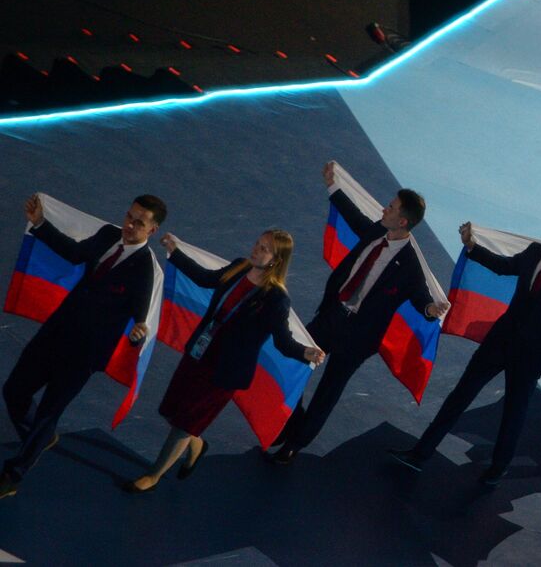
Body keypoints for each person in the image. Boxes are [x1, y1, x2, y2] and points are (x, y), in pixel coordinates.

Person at [393, 214, 541, 486]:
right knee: (459, 396)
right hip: (499, 342)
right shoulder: (535, 252)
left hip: (530, 358)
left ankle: (498, 468)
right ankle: (420, 453)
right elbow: (504, 266)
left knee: (514, 412)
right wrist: (472, 247)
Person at [268, 163, 449, 464]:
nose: (384, 209)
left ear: (402, 221)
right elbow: (355, 218)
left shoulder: (411, 266)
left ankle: (295, 444)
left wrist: (431, 310)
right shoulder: (379, 229)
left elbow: (421, 300)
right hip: (332, 316)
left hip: (359, 339)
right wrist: (333, 187)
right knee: (293, 359)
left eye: (390, 207)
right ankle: (292, 422)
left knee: (328, 391)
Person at [121, 230, 325, 493]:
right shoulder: (240, 266)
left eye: (264, 249)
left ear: (277, 260)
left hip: (225, 371)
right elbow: (207, 279)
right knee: (174, 409)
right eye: (257, 243)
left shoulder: (276, 299)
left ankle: (154, 475)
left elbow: (282, 341)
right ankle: (195, 443)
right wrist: (176, 252)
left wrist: (305, 353)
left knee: (185, 423)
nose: (256, 250)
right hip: (200, 352)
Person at [1, 194, 164, 500]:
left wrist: (139, 333)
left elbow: (140, 319)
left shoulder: (145, 271)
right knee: (14, 390)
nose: (128, 225)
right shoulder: (107, 235)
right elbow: (75, 253)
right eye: (129, 216)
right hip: (56, 332)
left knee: (49, 412)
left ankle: (13, 474)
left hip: (84, 354)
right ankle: (41, 437)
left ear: (152, 230)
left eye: (138, 222)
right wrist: (39, 223)